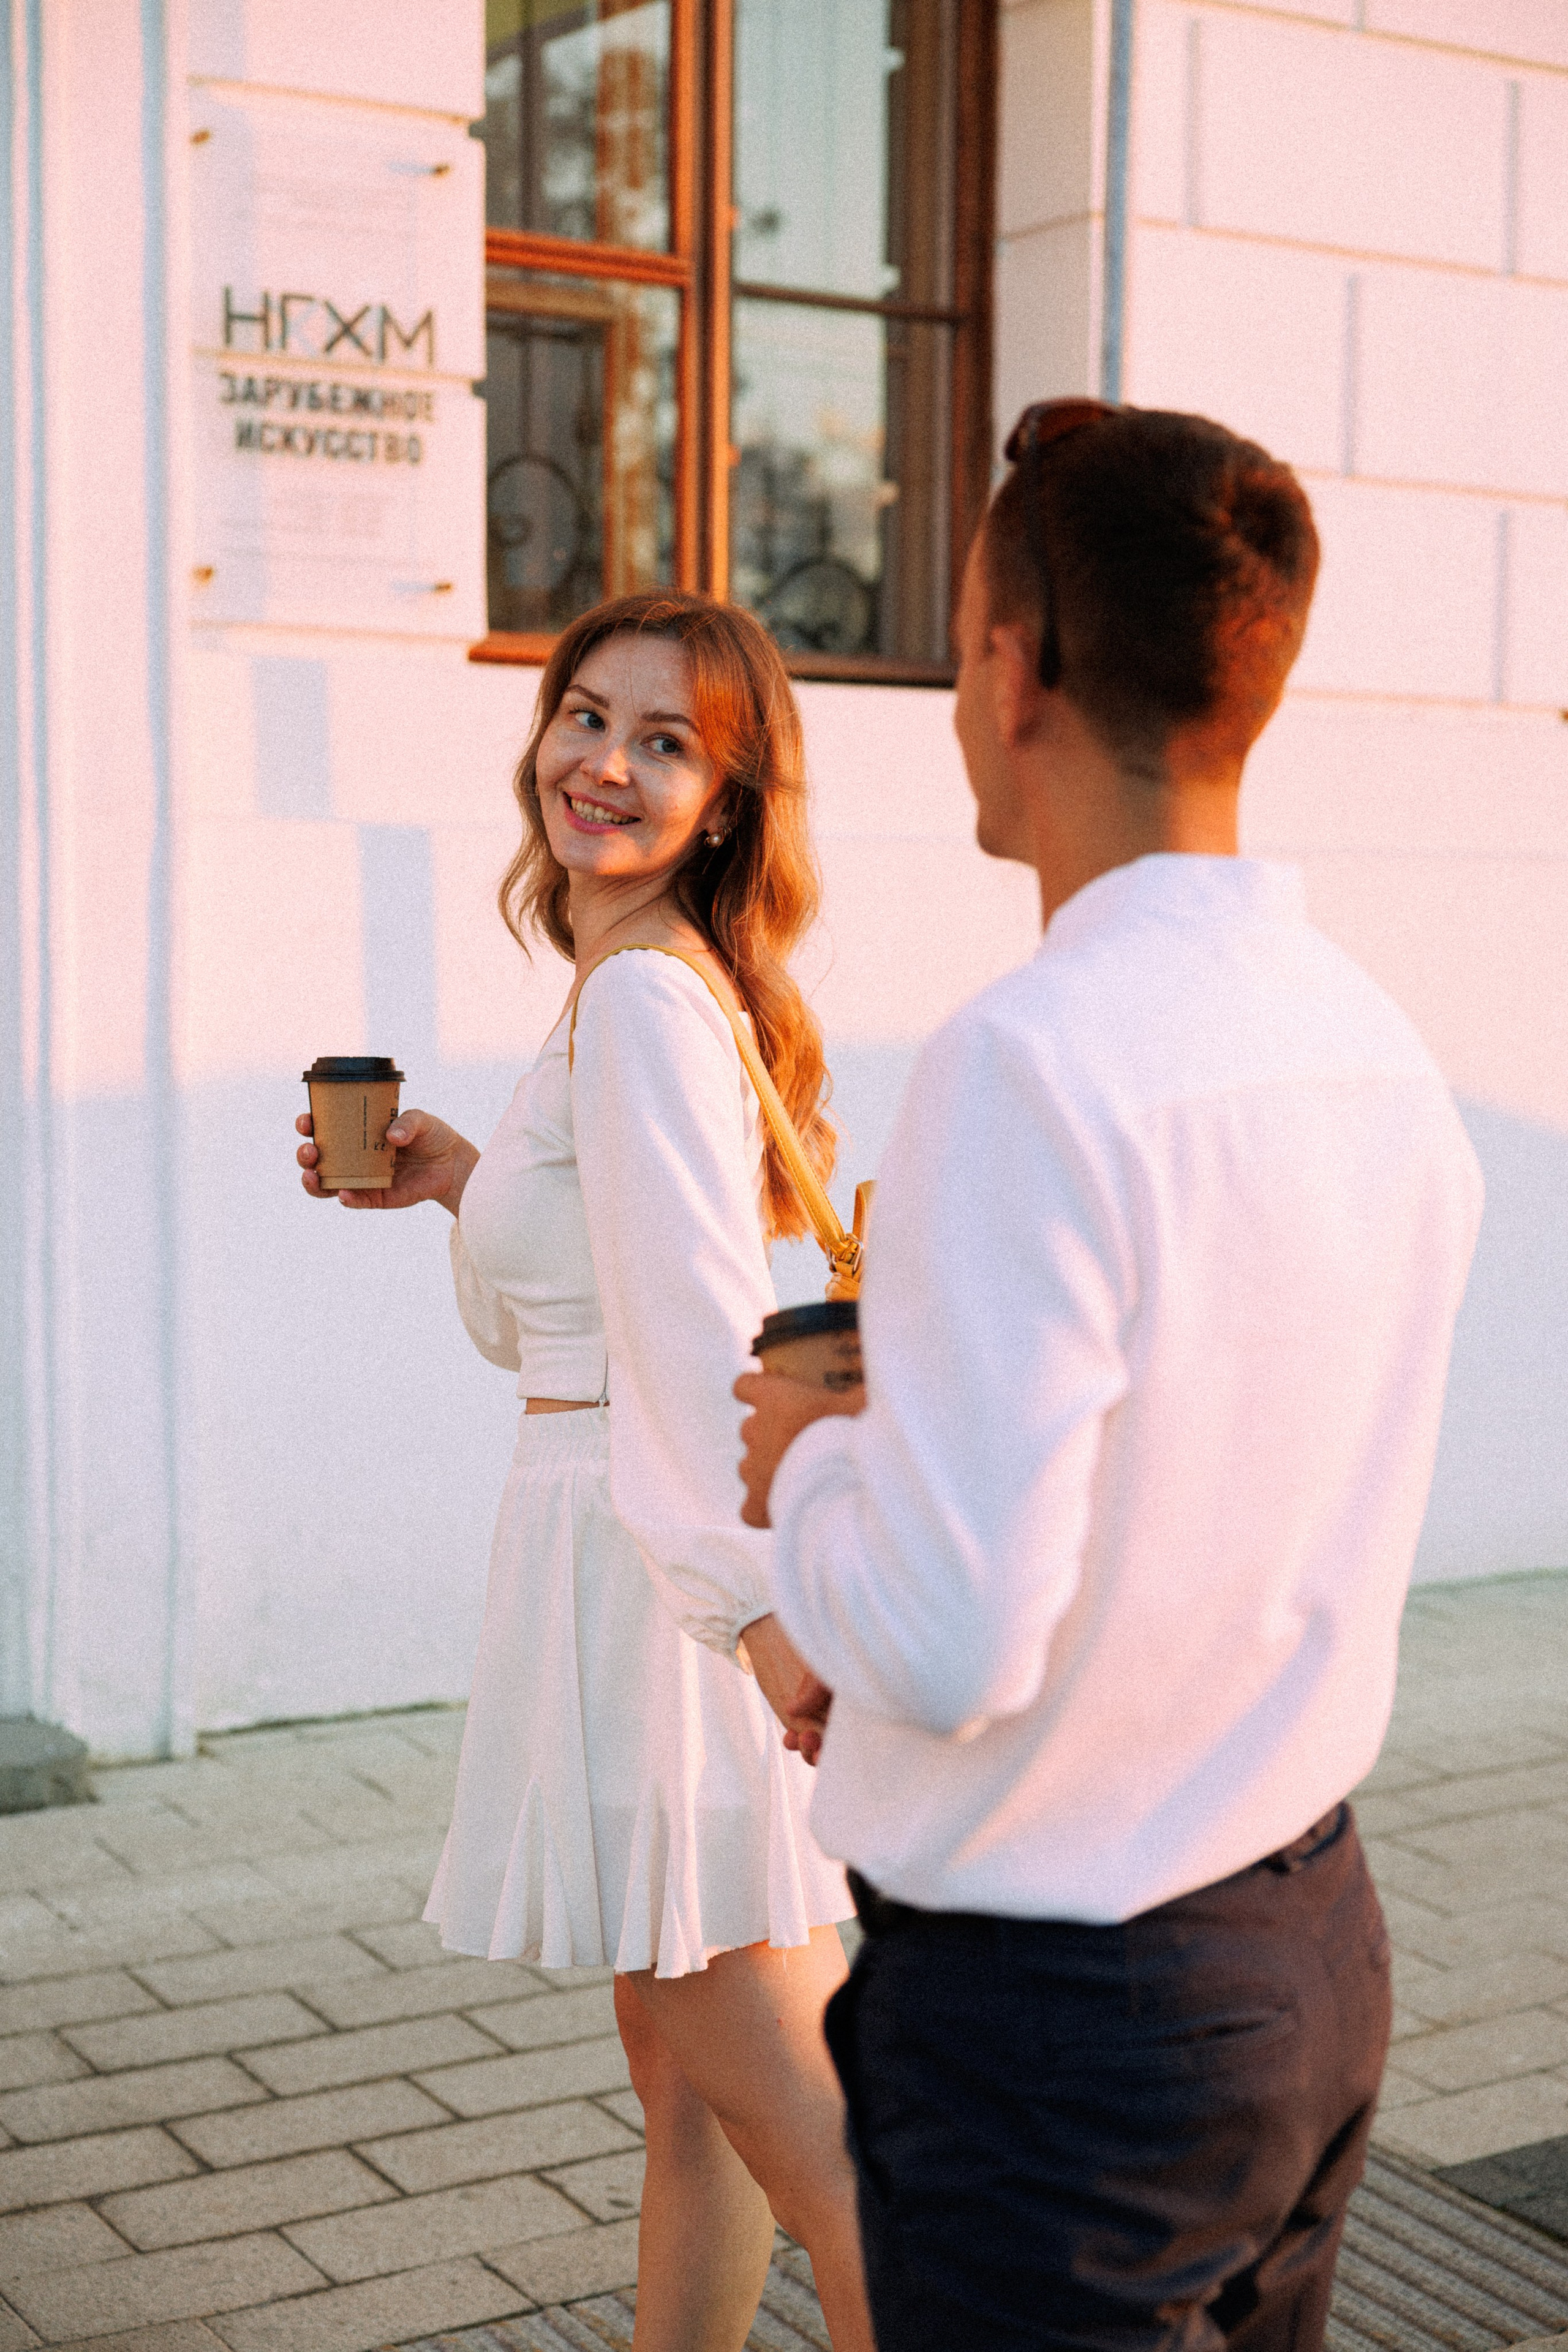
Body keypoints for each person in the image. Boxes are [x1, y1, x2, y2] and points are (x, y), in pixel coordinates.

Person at [735, 402, 1485, 2352]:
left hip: (1065, 2032)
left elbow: (960, 1634)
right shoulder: (1376, 1046)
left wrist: (819, 1468)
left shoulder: (1033, 1059)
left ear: (1014, 661)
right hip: (1307, 1951)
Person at [295, 591, 872, 2352]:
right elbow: (593, 1306)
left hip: (663, 1595)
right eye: (585, 715)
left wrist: (754, 1620)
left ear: (727, 802)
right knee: (692, 2091)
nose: (604, 763)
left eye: (666, 741)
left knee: (811, 2131)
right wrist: (474, 1182)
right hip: (643, 1568)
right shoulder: (621, 989)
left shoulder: (640, 1003)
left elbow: (697, 1337)